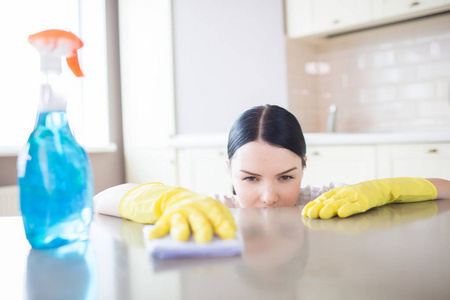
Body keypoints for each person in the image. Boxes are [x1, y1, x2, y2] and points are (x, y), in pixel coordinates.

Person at [94, 104, 450, 239]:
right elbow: (100, 200)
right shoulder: (212, 209)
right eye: (249, 178)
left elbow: (446, 187)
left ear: (304, 167)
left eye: (286, 177)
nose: (268, 198)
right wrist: (168, 200)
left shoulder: (326, 201)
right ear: (229, 169)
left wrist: (386, 189)